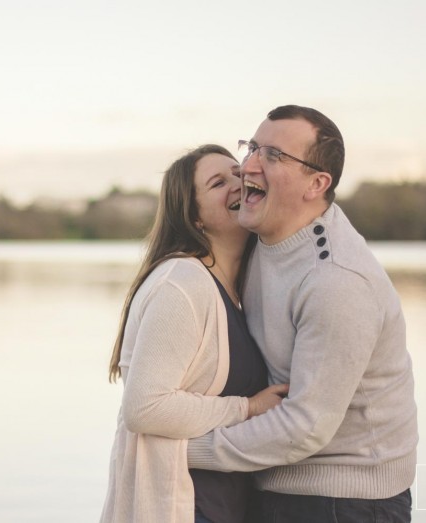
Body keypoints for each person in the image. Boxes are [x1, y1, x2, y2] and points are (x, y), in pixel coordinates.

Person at [187, 106, 419, 523]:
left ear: (317, 183)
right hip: (272, 480)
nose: (249, 166)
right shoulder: (261, 240)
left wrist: (184, 449)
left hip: (342, 500)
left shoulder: (337, 281)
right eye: (252, 147)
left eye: (273, 156)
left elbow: (305, 427)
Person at [100, 144, 289, 523]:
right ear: (194, 218)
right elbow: (145, 407)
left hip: (224, 503)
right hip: (181, 506)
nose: (238, 184)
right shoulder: (182, 283)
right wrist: (248, 408)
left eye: (239, 174)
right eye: (219, 183)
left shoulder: (239, 289)